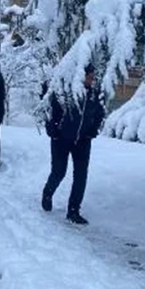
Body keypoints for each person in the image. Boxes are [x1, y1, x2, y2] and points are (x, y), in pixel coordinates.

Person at [41, 64, 106, 225]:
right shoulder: (65, 92)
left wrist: (93, 130)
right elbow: (49, 111)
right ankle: (48, 193)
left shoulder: (93, 94)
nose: (92, 80)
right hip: (61, 139)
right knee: (59, 172)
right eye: (89, 77)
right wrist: (53, 130)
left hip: (83, 141)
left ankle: (73, 210)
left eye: (93, 77)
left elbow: (99, 113)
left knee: (81, 176)